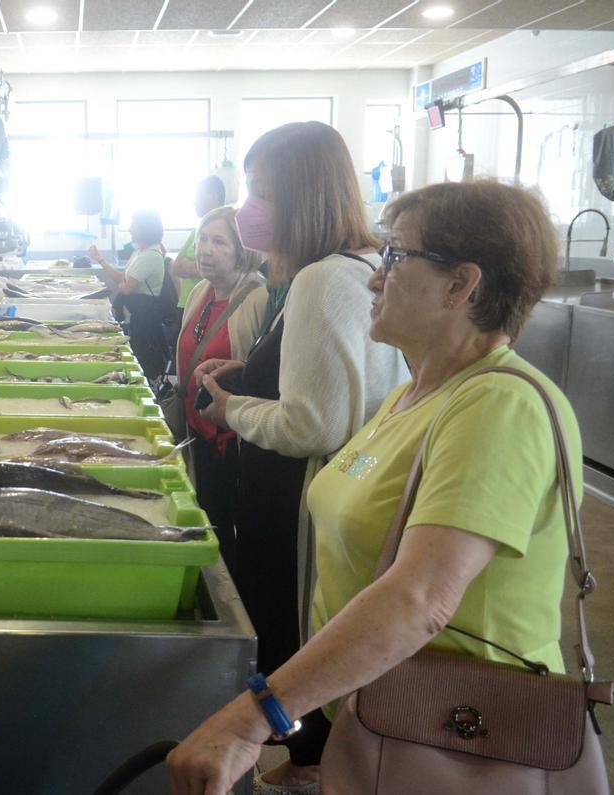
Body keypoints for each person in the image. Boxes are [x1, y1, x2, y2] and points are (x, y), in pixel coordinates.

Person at [168, 179, 575, 795]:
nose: (374, 278)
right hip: (380, 720)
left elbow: (421, 599)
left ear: (461, 284)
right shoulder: (413, 395)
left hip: (460, 739)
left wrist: (256, 716)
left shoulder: (498, 405)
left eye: (395, 256)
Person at [191, 121, 409, 791]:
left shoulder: (320, 279)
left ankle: (308, 766)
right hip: (333, 493)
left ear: (304, 196)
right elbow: (321, 379)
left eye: (261, 191)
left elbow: (311, 421)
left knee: (294, 637)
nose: (249, 206)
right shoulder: (348, 270)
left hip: (299, 504)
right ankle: (314, 760)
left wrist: (231, 407)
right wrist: (254, 367)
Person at [176, 206, 267, 569]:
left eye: (219, 242)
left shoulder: (257, 299)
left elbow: (258, 374)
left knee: (227, 527)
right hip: (197, 430)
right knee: (205, 510)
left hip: (231, 440)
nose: (205, 249)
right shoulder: (201, 291)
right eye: (202, 239)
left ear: (242, 250)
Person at [88, 210, 173, 379]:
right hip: (136, 315)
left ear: (145, 229)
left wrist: (122, 284)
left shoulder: (151, 255)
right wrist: (100, 260)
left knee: (145, 359)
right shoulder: (139, 252)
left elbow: (127, 288)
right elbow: (123, 278)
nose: (130, 229)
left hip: (147, 318)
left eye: (134, 226)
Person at [171, 175, 227, 309]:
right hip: (186, 303)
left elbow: (224, 268)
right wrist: (202, 267)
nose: (194, 202)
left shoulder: (229, 230)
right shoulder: (196, 230)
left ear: (213, 197)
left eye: (198, 196)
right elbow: (176, 267)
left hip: (209, 304)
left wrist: (192, 266)